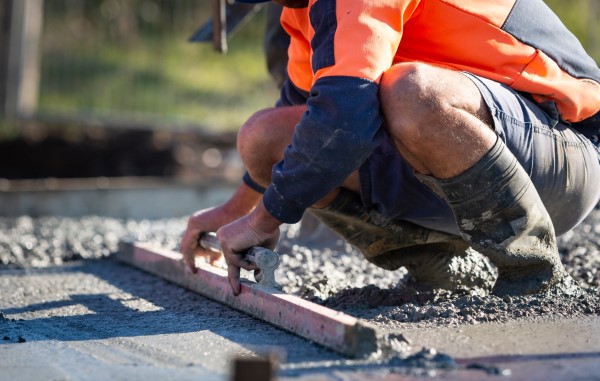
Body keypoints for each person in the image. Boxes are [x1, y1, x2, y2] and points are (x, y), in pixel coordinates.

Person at [181, 0, 600, 296]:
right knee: (267, 137)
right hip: (476, 150)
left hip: (564, 155)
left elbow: (344, 121)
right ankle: (439, 265)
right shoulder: (305, 14)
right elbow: (305, 132)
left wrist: (265, 219)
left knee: (410, 93)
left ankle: (533, 273)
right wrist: (234, 212)